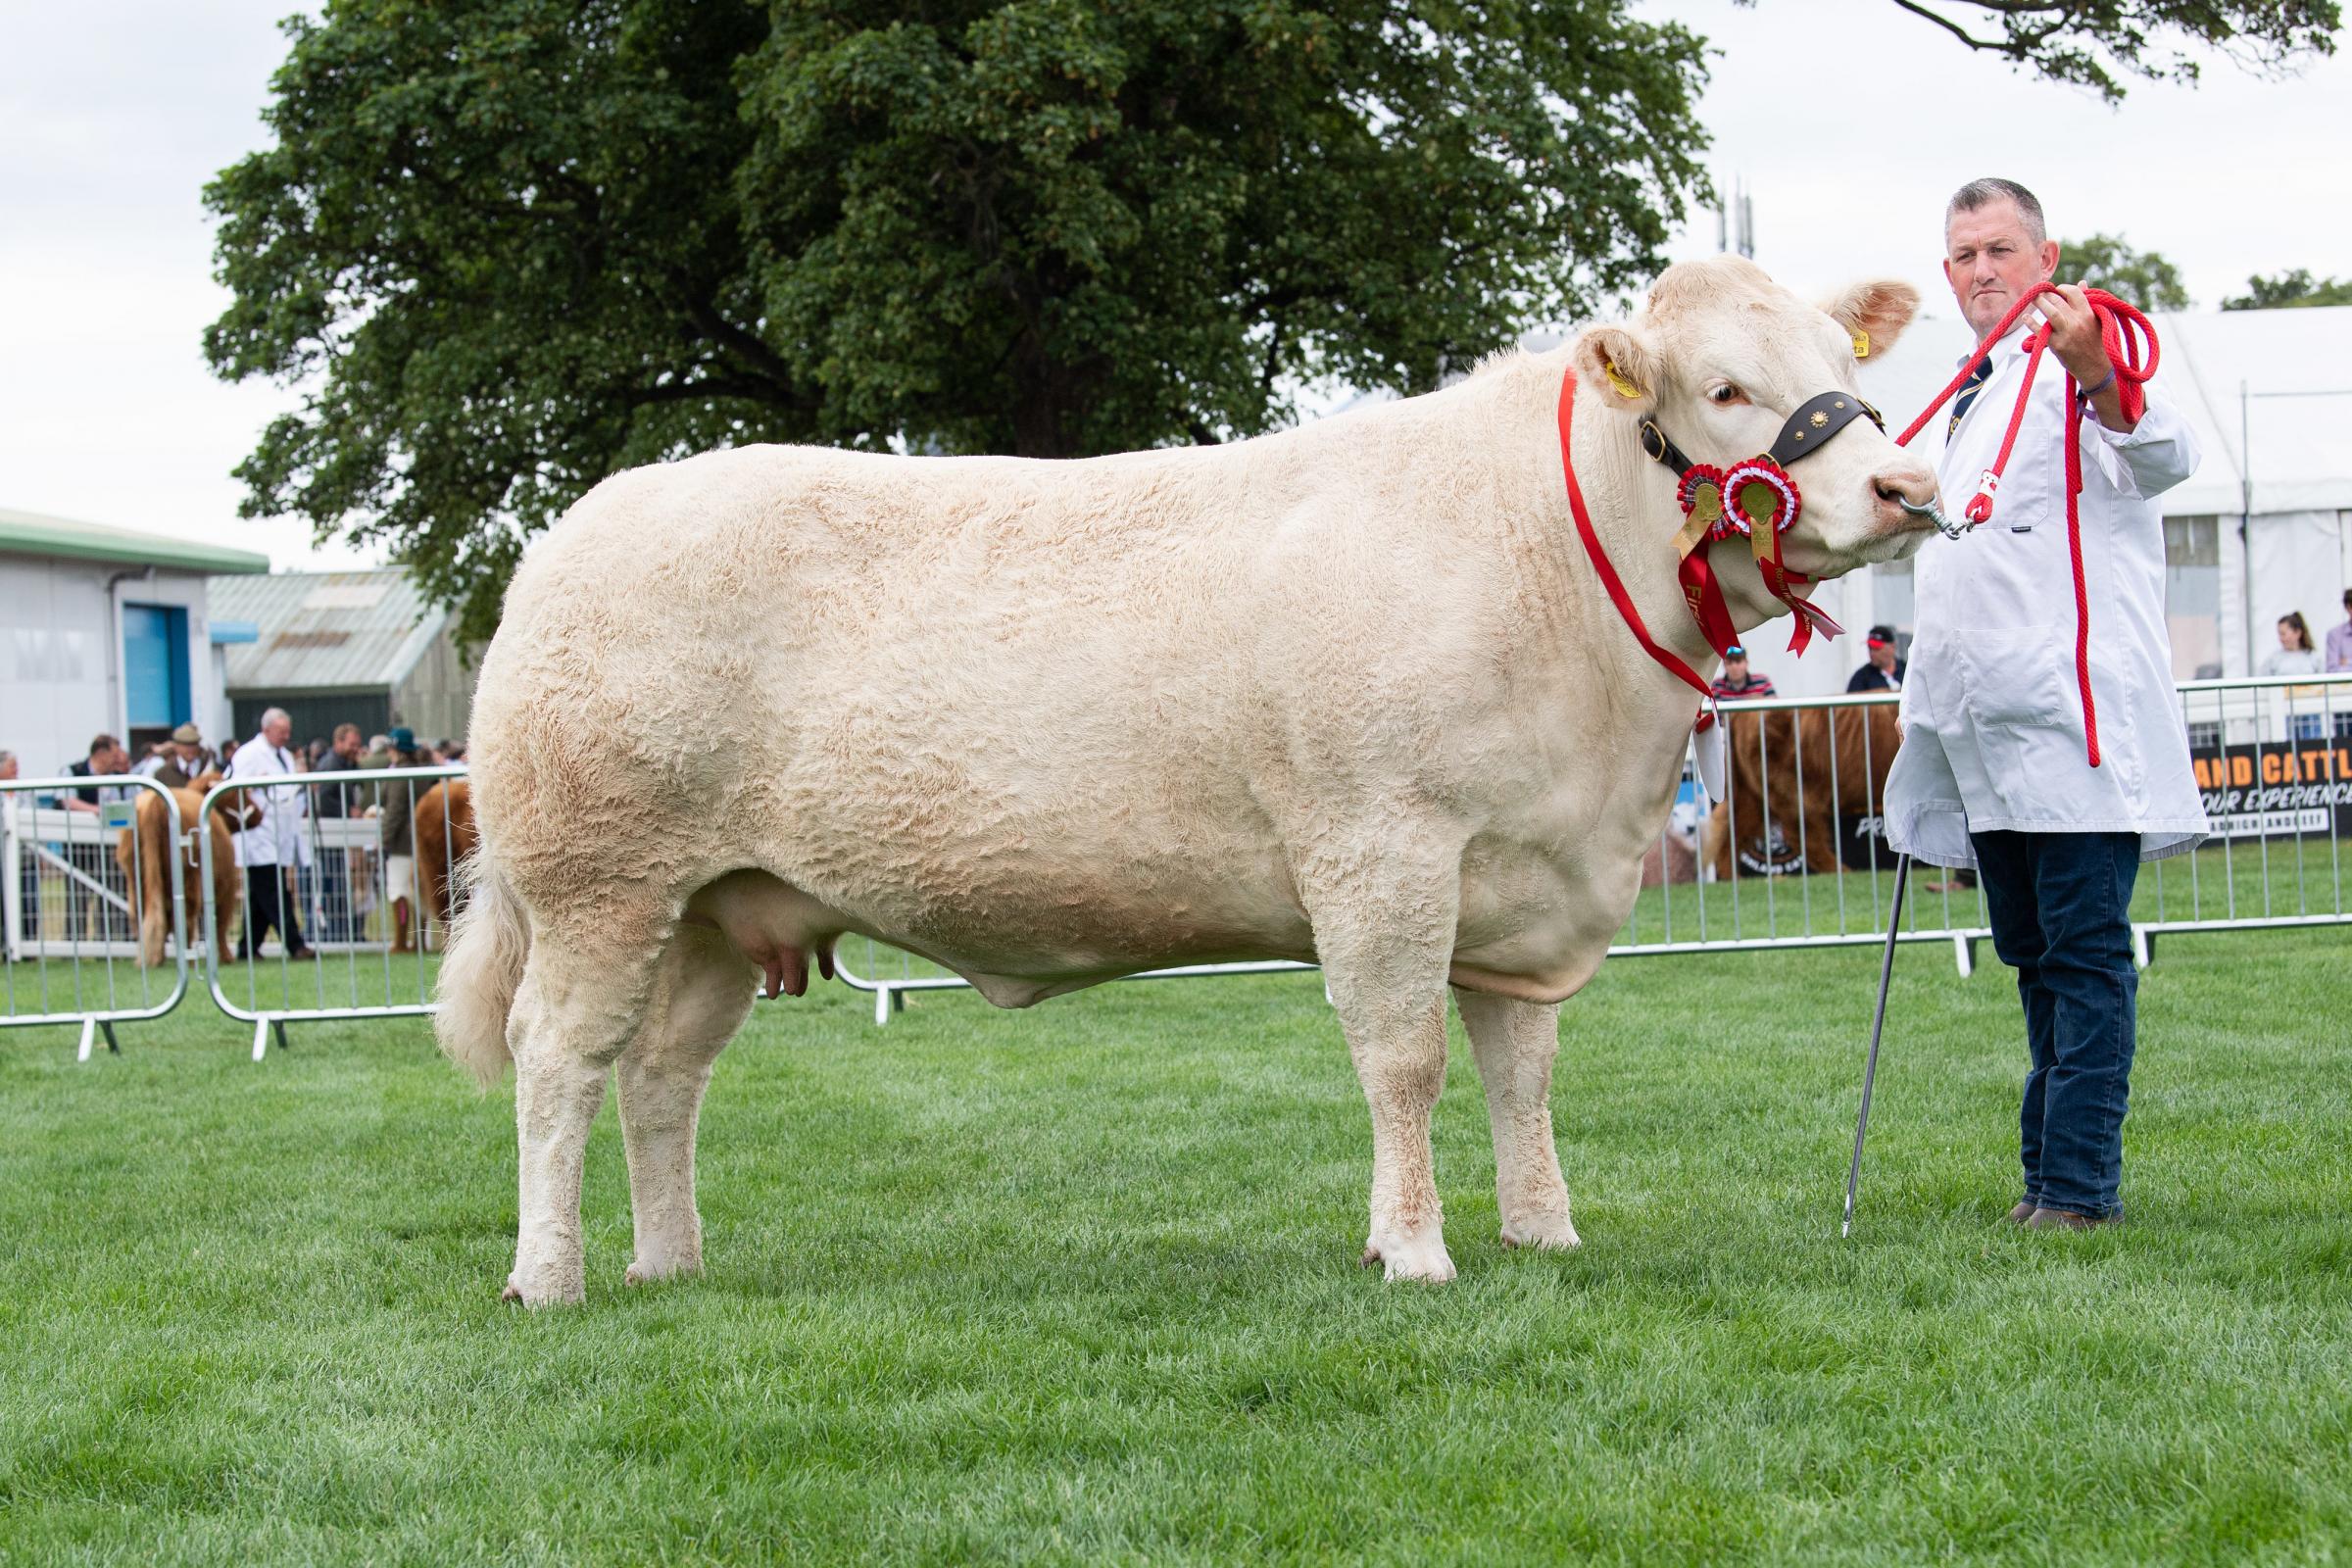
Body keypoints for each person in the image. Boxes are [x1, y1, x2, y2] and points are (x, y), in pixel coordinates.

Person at [1885, 177, 2206, 1232]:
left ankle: (2077, 1188)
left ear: (2045, 255)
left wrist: (2099, 375)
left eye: (2000, 250)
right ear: (1948, 273)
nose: (1982, 271)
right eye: (1965, 254)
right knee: (2031, 959)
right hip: (1987, 730)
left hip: (2074, 724)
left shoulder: (2086, 346)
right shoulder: (1968, 395)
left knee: (2084, 958)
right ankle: (2045, 1179)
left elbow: (2163, 452)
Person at [225, 708, 315, 960]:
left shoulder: (284, 755)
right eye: (281, 731)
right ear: (266, 730)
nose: (286, 736)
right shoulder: (248, 755)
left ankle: (248, 948)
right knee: (274, 891)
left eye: (288, 731)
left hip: (279, 831)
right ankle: (295, 944)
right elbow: (234, 789)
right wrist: (256, 782)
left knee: (260, 895)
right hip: (258, 833)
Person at [61, 734, 131, 939]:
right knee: (77, 900)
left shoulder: (121, 778)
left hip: (111, 850)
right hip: (79, 849)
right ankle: (74, 944)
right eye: (114, 754)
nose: (118, 759)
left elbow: (132, 803)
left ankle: (109, 943)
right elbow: (67, 800)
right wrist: (97, 811)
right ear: (101, 754)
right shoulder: (73, 772)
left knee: (112, 897)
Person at [310, 723, 367, 941]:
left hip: (340, 834)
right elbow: (324, 799)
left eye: (358, 745)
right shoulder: (331, 764)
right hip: (330, 834)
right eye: (352, 744)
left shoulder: (346, 763)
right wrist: (348, 810)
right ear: (338, 742)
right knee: (334, 883)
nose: (356, 749)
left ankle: (346, 931)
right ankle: (337, 932)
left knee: (341, 883)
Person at [370, 727, 424, 954]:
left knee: (399, 891)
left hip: (402, 842)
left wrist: (383, 840)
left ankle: (402, 941)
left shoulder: (399, 774)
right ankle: (418, 941)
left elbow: (394, 811)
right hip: (419, 840)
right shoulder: (420, 772)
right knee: (417, 893)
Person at [2262, 612, 2327, 741]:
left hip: (2310, 714)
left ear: (2297, 633)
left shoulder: (2313, 657)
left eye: (2283, 633)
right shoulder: (2274, 659)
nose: (2281, 638)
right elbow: (2262, 682)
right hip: (2284, 714)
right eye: (2279, 634)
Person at [1846, 625, 1907, 693]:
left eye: (1876, 648)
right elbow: (1851, 700)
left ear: (1892, 647)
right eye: (1870, 648)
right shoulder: (1861, 677)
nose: (1872, 653)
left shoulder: (1907, 670)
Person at [1708, 645, 1776, 700]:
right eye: (1729, 663)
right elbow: (1712, 713)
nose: (1734, 667)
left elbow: (1775, 708)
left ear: (1746, 663)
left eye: (1738, 661)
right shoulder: (1717, 685)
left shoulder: (1762, 681)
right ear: (1724, 665)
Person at [2328, 589, 2352, 738]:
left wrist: (2347, 661)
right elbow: (2333, 670)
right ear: (2349, 607)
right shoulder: (2335, 635)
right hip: (2345, 703)